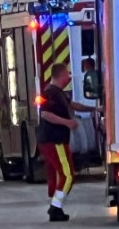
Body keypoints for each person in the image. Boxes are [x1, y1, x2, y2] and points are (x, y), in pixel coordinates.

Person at [37, 68, 95, 220]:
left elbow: (74, 105)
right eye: (67, 74)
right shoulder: (50, 93)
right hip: (54, 140)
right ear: (60, 75)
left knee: (61, 174)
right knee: (68, 175)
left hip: (55, 140)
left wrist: (94, 109)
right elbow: (45, 114)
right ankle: (55, 209)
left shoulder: (59, 93)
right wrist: (68, 122)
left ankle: (56, 207)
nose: (69, 77)